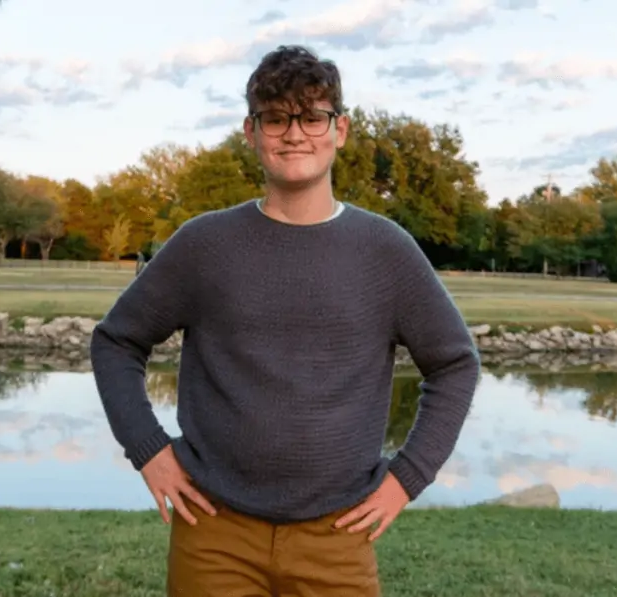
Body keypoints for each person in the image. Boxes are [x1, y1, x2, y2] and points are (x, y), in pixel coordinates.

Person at [90, 44, 481, 597]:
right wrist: (148, 450)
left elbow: (455, 365)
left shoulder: (385, 251)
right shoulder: (206, 244)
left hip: (338, 535)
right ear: (252, 132)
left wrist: (407, 477)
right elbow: (115, 342)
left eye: (312, 116)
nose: (294, 133)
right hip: (214, 531)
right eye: (275, 119)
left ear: (339, 129)